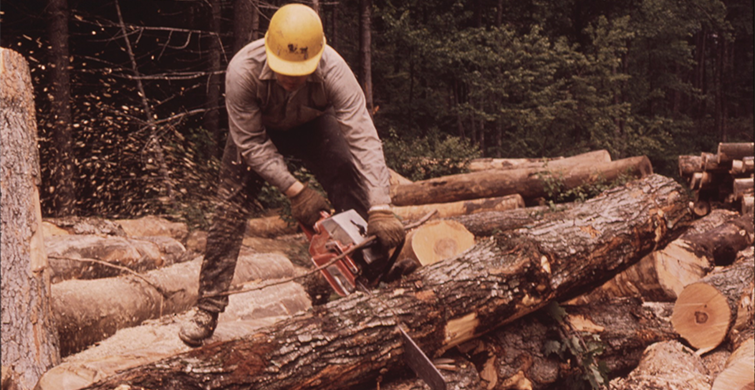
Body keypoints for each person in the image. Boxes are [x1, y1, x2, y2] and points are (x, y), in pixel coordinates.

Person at [179, 3, 406, 347]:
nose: (288, 79)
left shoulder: (334, 71)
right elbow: (251, 143)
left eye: (297, 72)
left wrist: (380, 207)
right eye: (283, 70)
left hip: (313, 124)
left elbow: (362, 135)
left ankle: (376, 278)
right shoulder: (242, 70)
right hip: (258, 134)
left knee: (347, 176)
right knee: (228, 211)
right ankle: (208, 308)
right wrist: (295, 190)